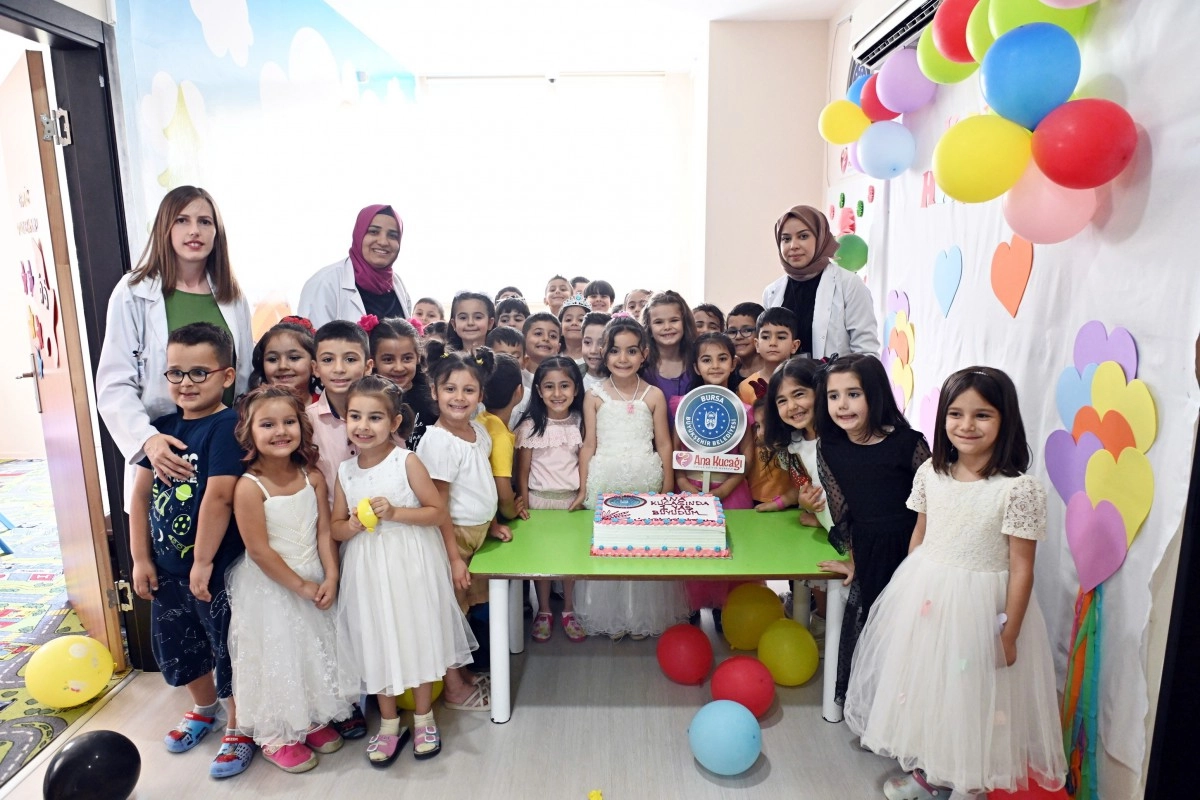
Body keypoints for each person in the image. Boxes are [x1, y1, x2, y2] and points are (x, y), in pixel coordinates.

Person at [844, 367, 1067, 799]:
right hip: (928, 598)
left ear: (1005, 420)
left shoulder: (1018, 489)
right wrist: (908, 594)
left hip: (983, 608)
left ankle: (969, 782)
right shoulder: (931, 473)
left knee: (976, 696)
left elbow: (1022, 567)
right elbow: (920, 535)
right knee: (932, 690)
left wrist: (1009, 634)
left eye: (982, 415)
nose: (966, 425)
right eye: (955, 413)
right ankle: (933, 773)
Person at [126, 323, 253, 778]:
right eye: (175, 372)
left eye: (199, 372)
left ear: (227, 376)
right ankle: (204, 709)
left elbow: (219, 497)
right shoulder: (160, 430)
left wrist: (202, 562)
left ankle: (239, 724)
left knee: (227, 648)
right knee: (179, 648)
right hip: (166, 571)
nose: (186, 383)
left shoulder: (228, 427)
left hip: (214, 571)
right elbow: (140, 496)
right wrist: (140, 559)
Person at [331, 376, 479, 765]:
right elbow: (334, 527)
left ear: (395, 422)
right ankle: (388, 723)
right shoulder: (345, 471)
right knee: (377, 638)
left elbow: (437, 512)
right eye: (355, 416)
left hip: (410, 564)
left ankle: (425, 717)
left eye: (375, 417)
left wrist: (396, 512)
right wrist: (351, 525)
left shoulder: (406, 461)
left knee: (418, 634)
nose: (363, 426)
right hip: (368, 569)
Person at [96, 186, 253, 502]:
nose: (194, 231)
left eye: (205, 222)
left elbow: (245, 374)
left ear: (217, 232)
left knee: (223, 522)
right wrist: (148, 440)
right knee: (168, 525)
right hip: (165, 446)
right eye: (182, 220)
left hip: (222, 441)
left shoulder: (232, 296)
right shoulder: (133, 292)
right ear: (165, 228)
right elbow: (114, 384)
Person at [227, 386, 350, 773]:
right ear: (249, 433)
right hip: (272, 587)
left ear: (302, 426)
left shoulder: (312, 476)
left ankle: (309, 717)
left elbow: (323, 532)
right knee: (278, 657)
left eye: (288, 422)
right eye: (267, 425)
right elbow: (259, 550)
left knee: (312, 652)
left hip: (314, 575)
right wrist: (300, 586)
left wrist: (331, 575)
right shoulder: (249, 486)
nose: (280, 431)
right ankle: (278, 733)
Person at [815, 353, 930, 706]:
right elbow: (842, 511)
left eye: (853, 394)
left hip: (912, 547)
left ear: (875, 394)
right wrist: (852, 558)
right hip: (868, 548)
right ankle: (876, 707)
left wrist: (926, 559)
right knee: (872, 627)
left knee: (911, 628)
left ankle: (910, 707)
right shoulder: (830, 447)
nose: (842, 405)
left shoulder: (909, 443)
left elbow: (933, 505)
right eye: (833, 396)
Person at [571, 318, 688, 639]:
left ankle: (640, 618)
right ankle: (611, 618)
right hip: (605, 481)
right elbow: (589, 444)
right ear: (604, 353)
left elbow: (663, 443)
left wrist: (667, 484)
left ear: (644, 354)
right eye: (615, 351)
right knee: (608, 549)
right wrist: (582, 488)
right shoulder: (594, 395)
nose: (622, 358)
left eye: (631, 351)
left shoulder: (653, 395)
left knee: (642, 550)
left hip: (645, 481)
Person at [416, 343, 510, 711]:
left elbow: (479, 483)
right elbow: (437, 505)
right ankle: (453, 687)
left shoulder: (478, 431)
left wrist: (493, 523)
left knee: (464, 609)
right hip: (450, 539)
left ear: (481, 394)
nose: (459, 397)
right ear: (434, 391)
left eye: (468, 389)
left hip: (474, 535)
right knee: (449, 614)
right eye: (450, 389)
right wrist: (454, 557)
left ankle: (465, 674)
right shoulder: (438, 442)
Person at [671, 332, 755, 628]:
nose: (715, 365)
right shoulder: (682, 406)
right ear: (696, 367)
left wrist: (725, 490)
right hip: (690, 492)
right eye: (707, 360)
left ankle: (727, 611)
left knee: (732, 551)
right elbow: (675, 450)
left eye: (722, 358)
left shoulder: (743, 409)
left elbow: (747, 456)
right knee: (692, 550)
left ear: (733, 363)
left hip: (732, 493)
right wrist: (683, 484)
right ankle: (689, 608)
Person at [514, 356, 587, 643]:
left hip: (571, 504)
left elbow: (584, 463)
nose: (557, 393)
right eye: (549, 386)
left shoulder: (580, 422)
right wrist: (524, 503)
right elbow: (523, 472)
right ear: (539, 391)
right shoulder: (530, 426)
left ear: (576, 389)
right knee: (541, 560)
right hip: (539, 503)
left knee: (571, 560)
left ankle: (568, 609)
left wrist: (582, 495)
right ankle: (544, 610)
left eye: (564, 385)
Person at [761, 205, 880, 358]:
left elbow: (865, 352)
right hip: (785, 374)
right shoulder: (771, 292)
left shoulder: (849, 284)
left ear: (820, 237)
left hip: (837, 373)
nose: (793, 246)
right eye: (786, 239)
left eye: (803, 236)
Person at [299, 204, 412, 328]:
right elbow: (312, 338)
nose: (383, 242)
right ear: (359, 234)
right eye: (374, 232)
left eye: (393, 235)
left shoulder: (397, 285)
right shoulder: (324, 283)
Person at [761, 357, 832, 531]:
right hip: (829, 533)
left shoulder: (842, 439)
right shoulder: (793, 445)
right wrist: (806, 503)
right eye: (782, 401)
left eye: (799, 394)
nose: (792, 406)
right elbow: (809, 487)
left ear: (820, 390)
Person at [307, 320, 373, 507]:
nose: (339, 369)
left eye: (350, 359)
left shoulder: (385, 415)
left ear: (368, 367)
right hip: (329, 519)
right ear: (315, 368)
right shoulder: (306, 421)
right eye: (328, 360)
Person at [368, 317, 438, 452]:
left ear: (418, 357)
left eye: (407, 358)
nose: (399, 367)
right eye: (388, 359)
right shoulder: (366, 399)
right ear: (373, 361)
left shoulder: (432, 396)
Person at [641, 290, 698, 405]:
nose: (667, 327)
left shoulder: (698, 360)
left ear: (685, 323)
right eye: (659, 322)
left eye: (674, 320)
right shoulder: (641, 366)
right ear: (649, 328)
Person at [737, 307, 802, 404]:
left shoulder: (803, 381)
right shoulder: (746, 387)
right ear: (757, 345)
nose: (772, 343)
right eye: (765, 337)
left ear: (794, 346)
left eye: (781, 337)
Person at [248, 317, 317, 404]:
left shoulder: (330, 408)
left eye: (294, 358)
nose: (282, 366)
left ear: (315, 365)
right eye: (272, 359)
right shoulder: (251, 409)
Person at [726, 301, 765, 386]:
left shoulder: (776, 372)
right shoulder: (727, 374)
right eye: (732, 331)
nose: (738, 337)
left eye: (747, 330)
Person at [579, 311, 611, 391]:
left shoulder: (620, 378)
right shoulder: (573, 375)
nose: (593, 350)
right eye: (587, 342)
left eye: (602, 343)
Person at [558, 295, 589, 362]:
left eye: (581, 320)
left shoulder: (594, 358)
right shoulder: (554, 358)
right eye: (568, 320)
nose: (574, 323)